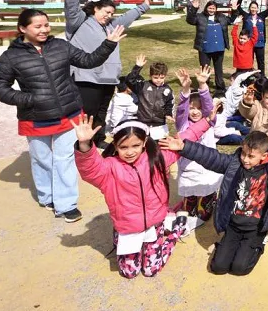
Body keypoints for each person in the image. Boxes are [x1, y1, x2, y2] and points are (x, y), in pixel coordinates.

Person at [0, 9, 127, 223]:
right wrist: (26, 99)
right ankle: (46, 196)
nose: (44, 29)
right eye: (38, 26)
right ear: (22, 28)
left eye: (46, 24)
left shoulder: (60, 46)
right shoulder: (11, 56)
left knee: (65, 159)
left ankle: (66, 205)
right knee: (42, 159)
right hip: (35, 117)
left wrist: (108, 44)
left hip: (68, 113)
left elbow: (88, 60)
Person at [159, 130, 268, 276]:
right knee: (218, 267)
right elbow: (211, 157)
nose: (245, 159)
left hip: (256, 228)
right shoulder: (234, 163)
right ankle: (227, 248)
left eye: (251, 156)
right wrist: (184, 147)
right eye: (244, 153)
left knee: (240, 269)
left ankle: (259, 244)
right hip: (233, 225)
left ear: (263, 156)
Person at [74, 116, 201, 277]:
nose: (130, 152)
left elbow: (185, 136)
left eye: (136, 145)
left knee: (150, 270)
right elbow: (90, 169)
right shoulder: (109, 168)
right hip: (127, 229)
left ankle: (176, 229)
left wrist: (207, 121)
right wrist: (84, 144)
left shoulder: (156, 159)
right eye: (123, 147)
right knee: (129, 272)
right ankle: (124, 243)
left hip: (154, 224)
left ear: (145, 142)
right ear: (115, 145)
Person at [66, 0, 150, 148]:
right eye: (106, 12)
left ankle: (98, 139)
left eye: (112, 13)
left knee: (101, 112)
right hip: (86, 78)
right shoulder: (79, 23)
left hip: (107, 79)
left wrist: (143, 7)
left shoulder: (110, 26)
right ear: (95, 9)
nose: (109, 16)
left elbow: (126, 19)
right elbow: (71, 7)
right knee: (88, 113)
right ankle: (81, 143)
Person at [174, 67, 222, 222]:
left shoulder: (208, 121)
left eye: (199, 108)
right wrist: (186, 88)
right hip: (189, 167)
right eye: (192, 108)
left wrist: (202, 86)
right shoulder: (183, 124)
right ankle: (191, 200)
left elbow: (209, 108)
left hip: (207, 164)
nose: (195, 112)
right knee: (189, 188)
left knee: (207, 185)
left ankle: (208, 199)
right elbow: (181, 109)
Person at [186, 0, 236, 95]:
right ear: (206, 8)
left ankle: (220, 87)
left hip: (219, 48)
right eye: (210, 8)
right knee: (205, 68)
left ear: (216, 9)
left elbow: (231, 20)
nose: (211, 10)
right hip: (205, 48)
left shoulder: (221, 17)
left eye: (213, 8)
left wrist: (234, 10)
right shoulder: (200, 17)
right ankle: (204, 86)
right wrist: (194, 8)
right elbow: (190, 20)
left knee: (219, 69)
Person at [126, 54, 174, 140]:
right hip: (142, 122)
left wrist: (168, 114)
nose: (158, 80)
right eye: (155, 77)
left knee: (159, 147)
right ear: (150, 76)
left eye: (162, 77)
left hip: (159, 124)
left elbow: (169, 104)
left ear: (165, 76)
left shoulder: (167, 90)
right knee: (142, 144)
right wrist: (137, 67)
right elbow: (129, 80)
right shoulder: (143, 86)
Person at [235, 0, 268, 71]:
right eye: (252, 7)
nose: (253, 9)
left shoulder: (261, 16)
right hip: (248, 43)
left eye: (255, 8)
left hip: (260, 43)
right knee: (249, 60)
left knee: (261, 61)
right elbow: (238, 7)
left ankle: (262, 77)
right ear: (249, 8)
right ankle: (248, 76)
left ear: (257, 9)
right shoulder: (246, 16)